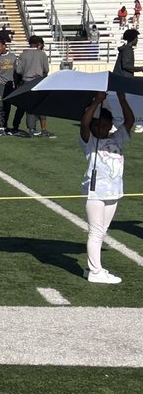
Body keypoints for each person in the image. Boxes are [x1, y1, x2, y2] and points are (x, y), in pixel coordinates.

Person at [80, 92, 134, 284]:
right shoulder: (89, 141)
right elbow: (84, 124)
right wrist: (96, 102)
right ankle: (96, 272)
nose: (101, 129)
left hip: (114, 191)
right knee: (95, 232)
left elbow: (130, 120)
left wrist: (121, 99)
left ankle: (91, 267)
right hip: (95, 192)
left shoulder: (117, 138)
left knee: (102, 231)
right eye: (98, 125)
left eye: (105, 125)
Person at [11, 35, 52, 137]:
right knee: (41, 105)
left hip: (27, 82)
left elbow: (19, 70)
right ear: (38, 44)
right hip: (39, 81)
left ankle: (31, 129)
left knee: (29, 106)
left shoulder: (23, 55)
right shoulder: (42, 54)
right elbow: (46, 70)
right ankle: (43, 130)